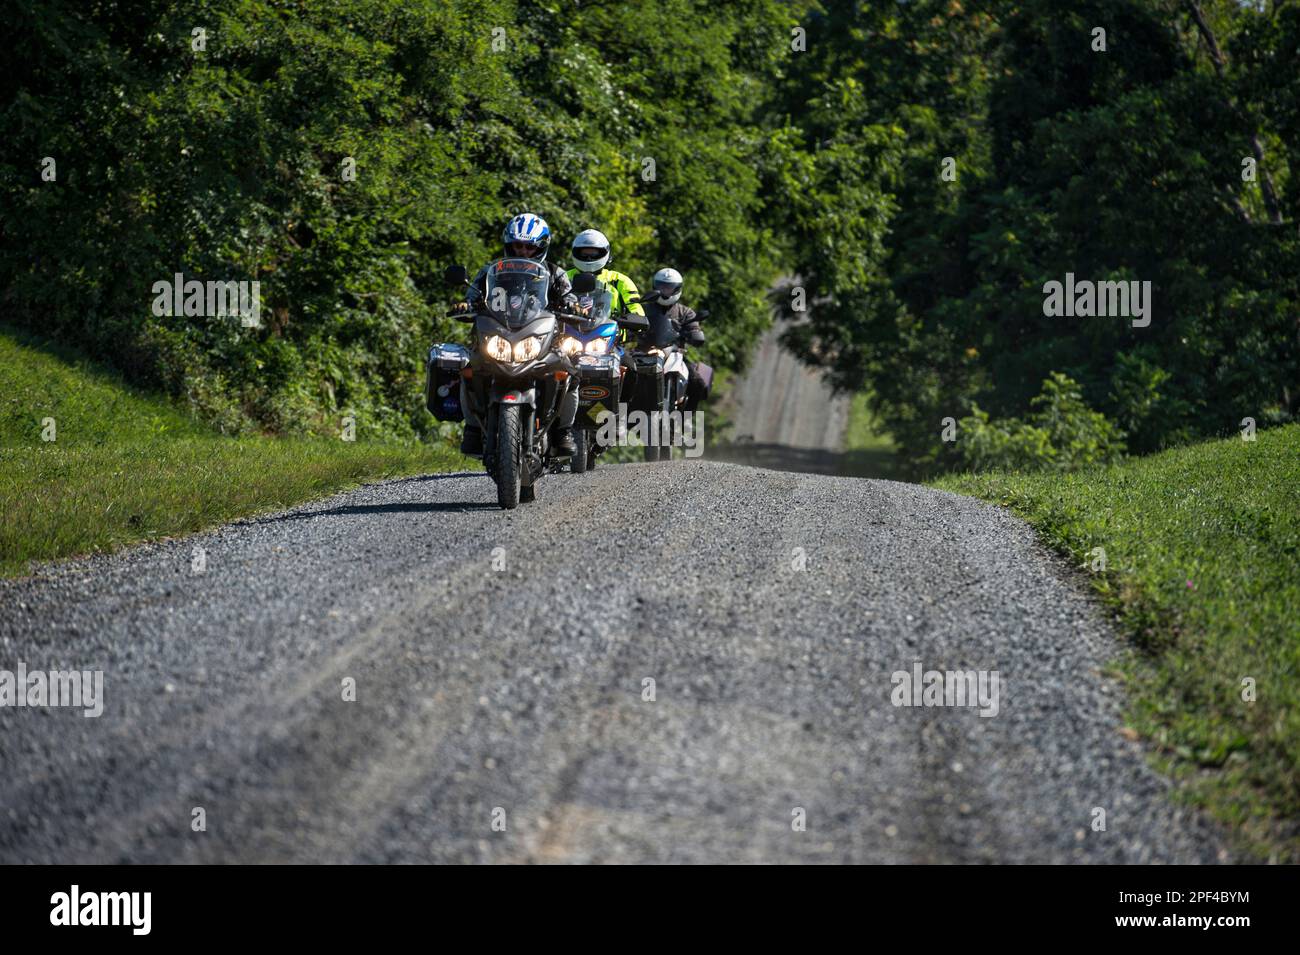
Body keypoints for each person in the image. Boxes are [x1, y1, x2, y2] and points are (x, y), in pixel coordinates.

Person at [454, 213, 577, 456]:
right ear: (508, 244)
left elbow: (569, 298)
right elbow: (472, 297)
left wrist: (574, 307)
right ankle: (472, 428)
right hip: (496, 336)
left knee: (571, 371)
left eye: (530, 247)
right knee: (466, 368)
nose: (523, 251)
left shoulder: (555, 273)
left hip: (541, 340)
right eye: (518, 245)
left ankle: (563, 430)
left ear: (541, 246)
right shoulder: (491, 270)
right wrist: (464, 305)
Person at [564, 230, 645, 329]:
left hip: (611, 337)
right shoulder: (564, 277)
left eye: (594, 254)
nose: (589, 258)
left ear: (605, 252)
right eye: (584, 254)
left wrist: (636, 318)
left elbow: (635, 307)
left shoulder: (619, 280)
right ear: (575, 252)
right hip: (568, 334)